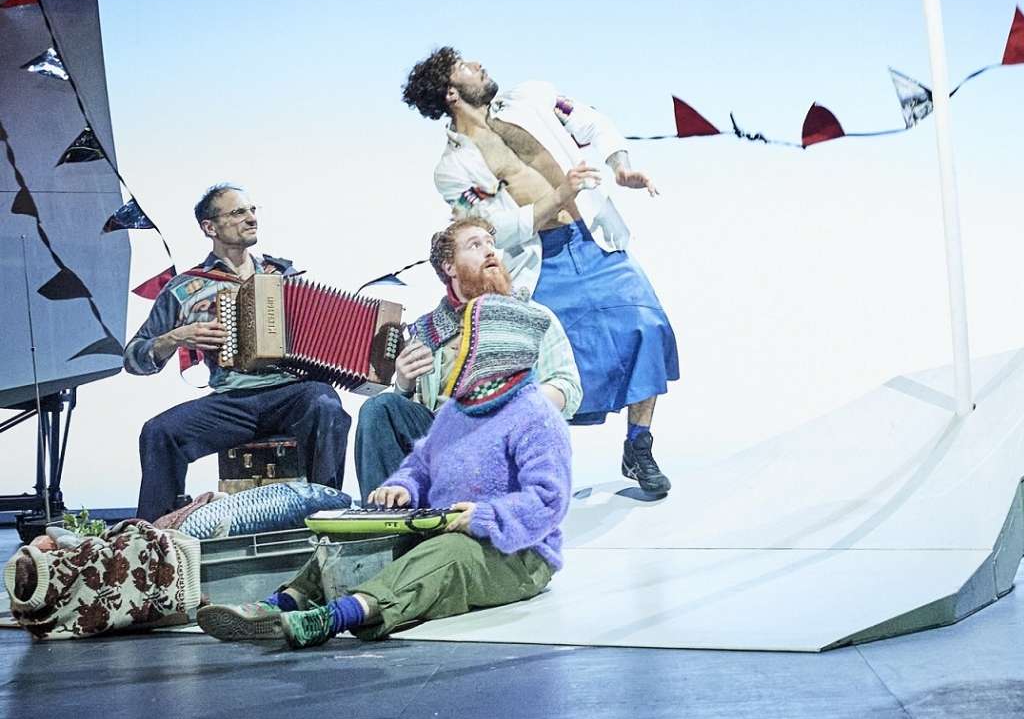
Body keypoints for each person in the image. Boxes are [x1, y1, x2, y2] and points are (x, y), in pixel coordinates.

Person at [196, 293, 572, 650]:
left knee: (449, 554)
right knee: (370, 537)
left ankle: (340, 615)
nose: (458, 355)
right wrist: (402, 487)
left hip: (519, 551)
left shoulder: (535, 417)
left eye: (468, 347)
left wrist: (485, 517)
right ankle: (285, 600)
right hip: (452, 527)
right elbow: (420, 468)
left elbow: (548, 501)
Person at [400, 48, 678, 499]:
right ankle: (529, 468)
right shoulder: (452, 169)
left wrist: (620, 166)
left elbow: (593, 122)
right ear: (451, 92)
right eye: (466, 66)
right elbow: (492, 226)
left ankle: (638, 445)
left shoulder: (534, 96)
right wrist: (559, 195)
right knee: (549, 369)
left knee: (646, 325)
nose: (480, 65)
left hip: (593, 238)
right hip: (538, 261)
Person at [124, 184, 350, 522]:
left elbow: (322, 327)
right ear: (209, 227)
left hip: (288, 394)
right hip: (233, 401)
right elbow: (133, 357)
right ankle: (154, 536)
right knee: (159, 432)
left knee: (324, 402)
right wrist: (173, 338)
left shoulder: (282, 276)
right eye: (238, 212)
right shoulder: (184, 288)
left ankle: (325, 513)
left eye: (252, 210)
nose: (251, 218)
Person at [352, 212, 581, 502]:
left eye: (490, 243)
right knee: (380, 407)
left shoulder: (533, 316)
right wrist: (405, 385)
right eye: (474, 245)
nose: (489, 250)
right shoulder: (427, 331)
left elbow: (567, 386)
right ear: (450, 266)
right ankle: (383, 527)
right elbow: (410, 419)